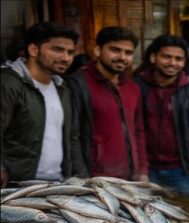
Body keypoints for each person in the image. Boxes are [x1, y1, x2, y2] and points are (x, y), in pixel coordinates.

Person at [1, 22, 87, 187]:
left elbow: (72, 136)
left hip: (58, 182)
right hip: (18, 185)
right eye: (57, 49)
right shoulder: (9, 83)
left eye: (70, 52)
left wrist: (81, 177)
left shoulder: (62, 87)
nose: (66, 58)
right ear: (33, 50)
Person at [135, 35, 189, 195]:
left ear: (184, 62)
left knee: (186, 216)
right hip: (144, 171)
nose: (172, 63)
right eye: (166, 57)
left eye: (178, 59)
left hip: (182, 172)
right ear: (153, 57)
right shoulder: (136, 87)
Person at [68, 26, 147, 181]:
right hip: (96, 178)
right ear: (98, 50)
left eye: (128, 53)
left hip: (131, 178)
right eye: (115, 50)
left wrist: (143, 171)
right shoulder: (78, 84)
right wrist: (82, 177)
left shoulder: (132, 87)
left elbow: (139, 131)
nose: (122, 57)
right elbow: (72, 136)